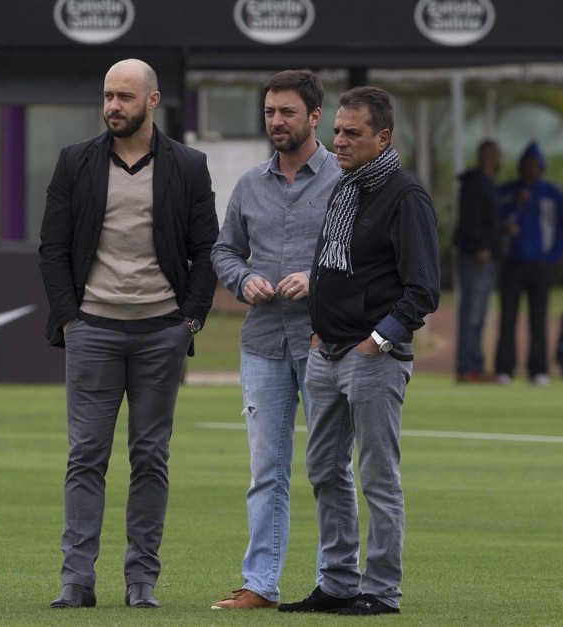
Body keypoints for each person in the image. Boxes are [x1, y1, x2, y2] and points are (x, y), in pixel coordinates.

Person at [38, 58, 218, 609]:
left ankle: (142, 582)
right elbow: (53, 247)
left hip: (161, 331)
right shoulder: (76, 162)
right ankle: (77, 581)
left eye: (124, 97)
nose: (113, 106)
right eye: (108, 96)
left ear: (152, 100)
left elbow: (207, 250)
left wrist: (187, 319)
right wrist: (72, 316)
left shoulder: (188, 165)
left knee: (150, 457)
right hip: (93, 328)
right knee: (86, 456)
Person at [278, 86, 440, 616]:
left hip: (372, 357)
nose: (338, 141)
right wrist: (321, 330)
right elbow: (333, 268)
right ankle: (339, 582)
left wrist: (377, 340)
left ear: (383, 137)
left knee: (377, 477)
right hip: (327, 353)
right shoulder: (345, 188)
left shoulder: (405, 197)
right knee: (324, 468)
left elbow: (423, 289)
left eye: (352, 133)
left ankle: (381, 591)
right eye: (337, 130)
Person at [209, 70, 340, 610]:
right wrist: (243, 279)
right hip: (262, 343)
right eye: (269, 112)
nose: (276, 122)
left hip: (323, 341)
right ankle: (260, 585)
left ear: (314, 116)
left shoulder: (343, 179)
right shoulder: (248, 184)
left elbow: (365, 257)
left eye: (287, 112)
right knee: (267, 472)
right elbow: (223, 251)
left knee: (331, 467)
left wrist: (317, 279)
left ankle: (336, 583)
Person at [494, 141, 563, 386]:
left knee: (539, 319)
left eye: (535, 165)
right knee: (508, 318)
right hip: (512, 264)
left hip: (540, 264)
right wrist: (514, 207)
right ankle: (504, 367)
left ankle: (538, 369)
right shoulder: (507, 192)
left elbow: (562, 230)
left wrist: (553, 256)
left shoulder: (552, 195)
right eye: (526, 165)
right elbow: (494, 220)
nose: (530, 170)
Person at [453, 139, 502, 383]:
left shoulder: (486, 184)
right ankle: (467, 366)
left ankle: (475, 364)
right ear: (489, 156)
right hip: (476, 257)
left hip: (486, 256)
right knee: (472, 313)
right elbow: (471, 221)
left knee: (480, 313)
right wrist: (480, 246)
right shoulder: (475, 185)